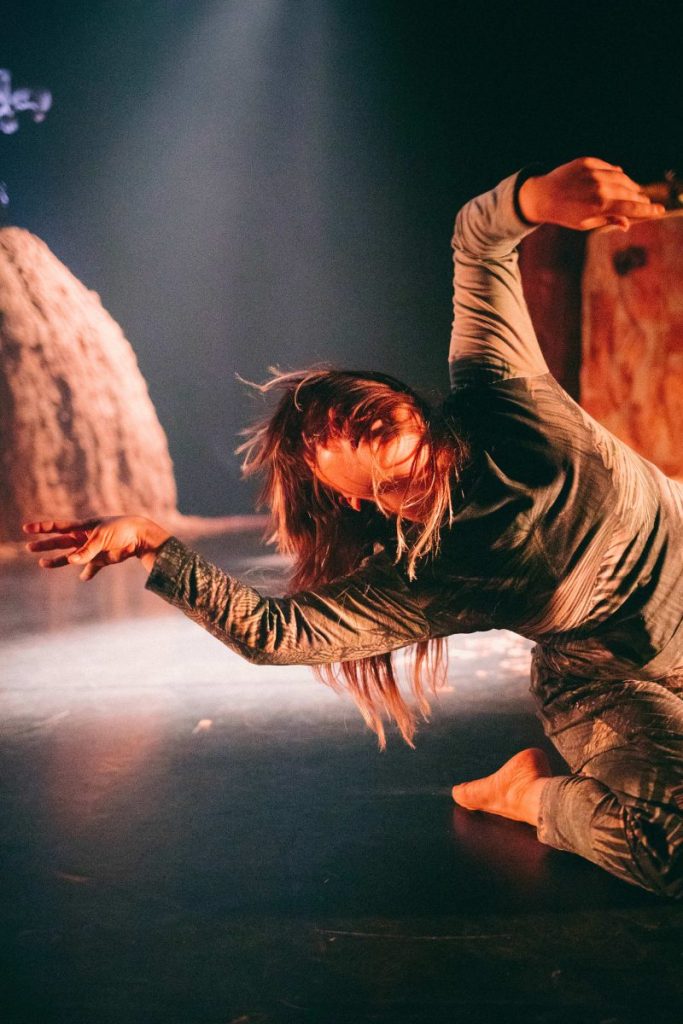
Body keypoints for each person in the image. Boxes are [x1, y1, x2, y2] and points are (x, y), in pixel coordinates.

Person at [24, 157, 683, 899]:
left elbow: (478, 239)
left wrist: (534, 198)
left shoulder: (499, 394)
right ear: (348, 498)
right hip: (616, 685)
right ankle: (524, 794)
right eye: (317, 435)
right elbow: (275, 633)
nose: (334, 415)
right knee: (670, 851)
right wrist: (156, 544)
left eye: (340, 399)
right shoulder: (427, 575)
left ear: (399, 396)